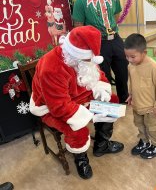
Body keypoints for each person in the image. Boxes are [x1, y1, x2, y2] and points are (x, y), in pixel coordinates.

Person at [29, 26, 124, 179]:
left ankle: (102, 144)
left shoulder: (85, 56)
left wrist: (101, 87)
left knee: (112, 102)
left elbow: (98, 74)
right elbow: (59, 107)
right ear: (75, 55)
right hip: (50, 106)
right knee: (77, 129)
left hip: (79, 96)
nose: (93, 61)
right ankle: (81, 160)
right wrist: (87, 114)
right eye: (88, 59)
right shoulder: (51, 67)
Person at [72, 0, 128, 103]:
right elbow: (78, 26)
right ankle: (107, 102)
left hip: (115, 38)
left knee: (123, 70)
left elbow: (116, 15)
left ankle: (124, 98)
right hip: (97, 43)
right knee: (103, 75)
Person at [124, 33, 156, 159]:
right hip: (138, 105)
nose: (130, 60)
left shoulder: (154, 67)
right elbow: (132, 82)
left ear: (144, 52)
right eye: (127, 56)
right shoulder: (131, 65)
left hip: (151, 107)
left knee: (153, 127)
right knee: (140, 125)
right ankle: (145, 141)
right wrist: (131, 94)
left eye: (133, 56)